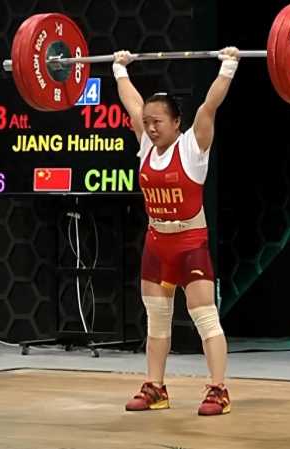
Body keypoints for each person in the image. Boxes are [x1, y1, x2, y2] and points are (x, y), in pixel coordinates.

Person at [112, 47, 240, 416]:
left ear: (176, 122)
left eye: (158, 122)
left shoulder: (193, 146)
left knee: (205, 318)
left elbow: (209, 106)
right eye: (147, 122)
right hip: (156, 245)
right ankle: (155, 389)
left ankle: (218, 390)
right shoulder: (146, 145)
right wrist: (120, 69)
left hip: (190, 244)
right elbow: (132, 103)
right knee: (156, 321)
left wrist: (228, 66)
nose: (151, 127)